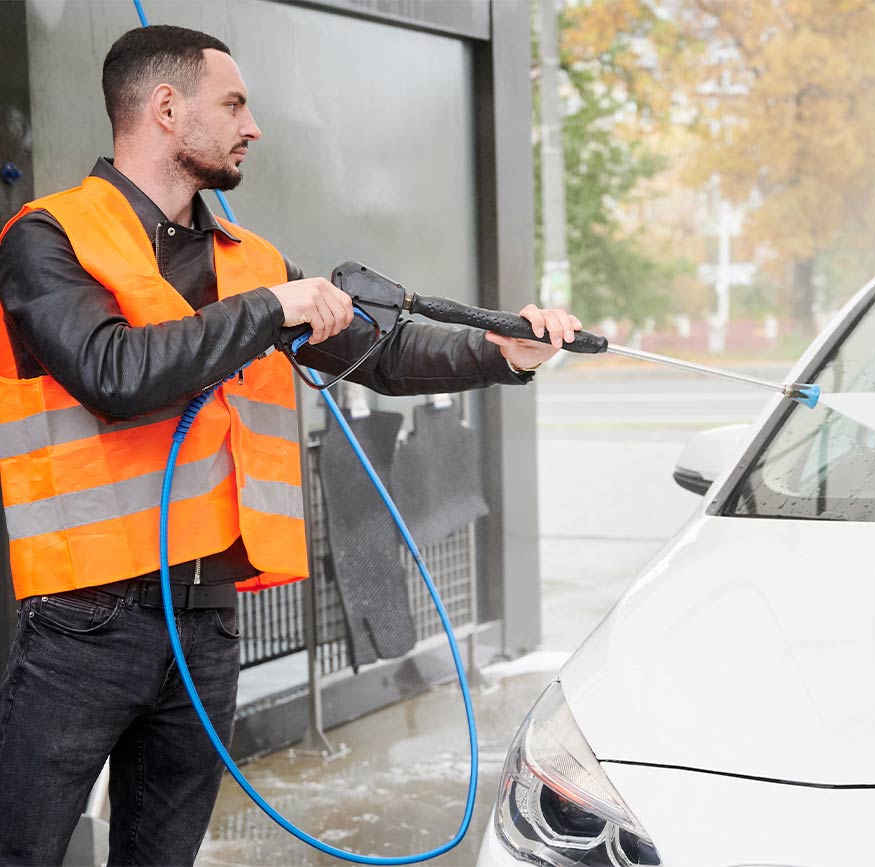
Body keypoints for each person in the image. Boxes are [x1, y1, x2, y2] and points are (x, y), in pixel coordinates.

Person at [0, 24, 578, 866]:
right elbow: (111, 371)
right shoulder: (46, 237)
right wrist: (275, 308)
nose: (253, 125)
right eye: (233, 103)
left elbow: (376, 353)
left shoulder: (251, 261)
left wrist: (501, 353)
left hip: (207, 627)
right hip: (86, 624)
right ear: (166, 109)